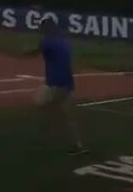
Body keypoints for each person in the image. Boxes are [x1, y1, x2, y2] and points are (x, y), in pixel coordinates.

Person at [26, 16, 87, 155]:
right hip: (67, 82)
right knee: (64, 115)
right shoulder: (64, 42)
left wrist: (26, 51)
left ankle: (43, 141)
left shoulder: (47, 41)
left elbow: (34, 52)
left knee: (45, 109)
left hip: (54, 83)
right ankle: (77, 145)